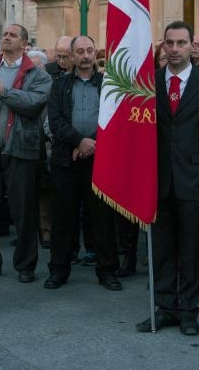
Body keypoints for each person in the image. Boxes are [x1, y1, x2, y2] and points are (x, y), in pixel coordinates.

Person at [137, 21, 199, 335]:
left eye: (181, 43)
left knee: (191, 252)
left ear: (192, 46)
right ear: (163, 46)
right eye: (169, 43)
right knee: (160, 250)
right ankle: (164, 308)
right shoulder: (150, 83)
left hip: (194, 182)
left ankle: (189, 310)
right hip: (158, 183)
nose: (174, 49)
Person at [0, 24, 52, 283]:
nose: (5, 37)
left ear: (24, 43)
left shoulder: (38, 74)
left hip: (20, 148)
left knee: (24, 211)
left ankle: (25, 265)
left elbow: (34, 104)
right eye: (4, 34)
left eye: (12, 35)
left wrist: (4, 93)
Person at [45, 35, 121, 292]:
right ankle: (58, 270)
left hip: (101, 161)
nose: (86, 56)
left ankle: (107, 270)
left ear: (94, 52)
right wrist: (79, 141)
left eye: (89, 50)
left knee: (101, 219)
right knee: (63, 219)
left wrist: (92, 145)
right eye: (80, 51)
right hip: (66, 161)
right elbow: (55, 121)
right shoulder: (59, 85)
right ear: (72, 55)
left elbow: (115, 120)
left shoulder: (108, 84)